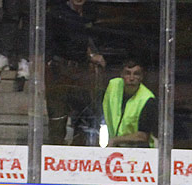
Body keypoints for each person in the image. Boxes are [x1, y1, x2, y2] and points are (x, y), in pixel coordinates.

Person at [46, 0, 107, 144]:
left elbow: (85, 40)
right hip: (60, 70)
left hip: (81, 72)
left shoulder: (90, 12)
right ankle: (55, 156)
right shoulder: (57, 13)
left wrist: (92, 55)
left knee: (85, 116)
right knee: (58, 117)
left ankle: (79, 154)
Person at [102, 59, 157, 147]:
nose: (131, 78)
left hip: (139, 150)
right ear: (122, 75)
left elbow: (143, 136)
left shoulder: (147, 99)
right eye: (128, 73)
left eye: (136, 74)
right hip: (114, 146)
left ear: (141, 77)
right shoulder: (112, 86)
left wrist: (116, 140)